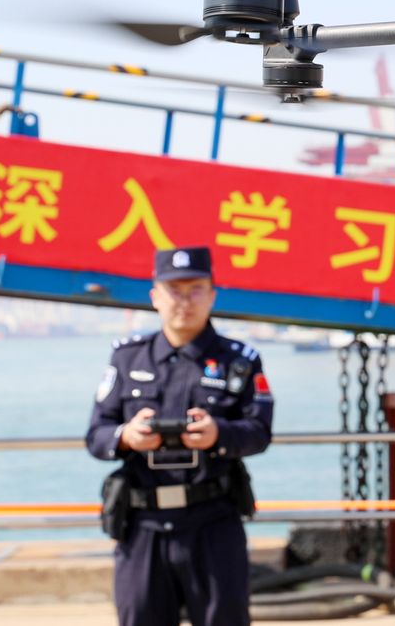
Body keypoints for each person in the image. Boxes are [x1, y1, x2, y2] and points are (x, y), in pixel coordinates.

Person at [86, 246, 274, 626]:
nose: (184, 301)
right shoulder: (127, 357)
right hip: (142, 527)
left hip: (214, 524)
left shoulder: (239, 360)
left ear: (212, 294)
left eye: (195, 290)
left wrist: (218, 433)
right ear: (155, 296)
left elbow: (259, 432)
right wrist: (127, 436)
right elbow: (97, 434)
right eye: (174, 290)